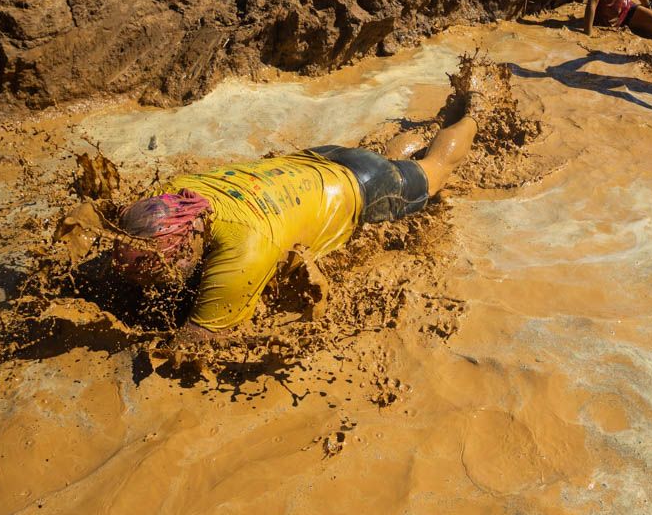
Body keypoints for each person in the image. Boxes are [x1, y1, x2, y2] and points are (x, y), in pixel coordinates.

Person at [112, 67, 490, 337]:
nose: (155, 281)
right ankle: (406, 156)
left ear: (191, 238)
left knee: (436, 171)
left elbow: (191, 348)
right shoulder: (181, 191)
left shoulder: (244, 250)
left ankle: (474, 108)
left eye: (162, 270)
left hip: (361, 186)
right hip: (314, 160)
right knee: (394, 169)